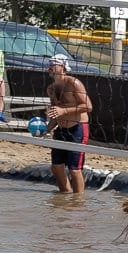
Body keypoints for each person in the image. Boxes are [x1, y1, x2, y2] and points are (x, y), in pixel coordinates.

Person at [44, 55, 93, 194]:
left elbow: (88, 106)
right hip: (61, 129)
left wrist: (64, 110)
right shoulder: (51, 88)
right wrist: (47, 129)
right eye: (50, 64)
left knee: (74, 169)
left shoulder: (74, 83)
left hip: (78, 128)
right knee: (56, 167)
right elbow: (56, 113)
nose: (51, 67)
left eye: (55, 64)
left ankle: (78, 201)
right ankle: (65, 195)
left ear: (63, 67)